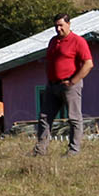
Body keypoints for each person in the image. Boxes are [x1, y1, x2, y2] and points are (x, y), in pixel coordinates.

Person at [33, 13, 93, 157]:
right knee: (44, 118)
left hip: (70, 85)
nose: (58, 28)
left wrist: (73, 81)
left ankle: (73, 150)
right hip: (52, 86)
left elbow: (88, 64)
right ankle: (40, 150)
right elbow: (48, 61)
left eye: (61, 25)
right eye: (56, 26)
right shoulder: (53, 41)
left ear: (68, 24)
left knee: (74, 118)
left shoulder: (78, 41)